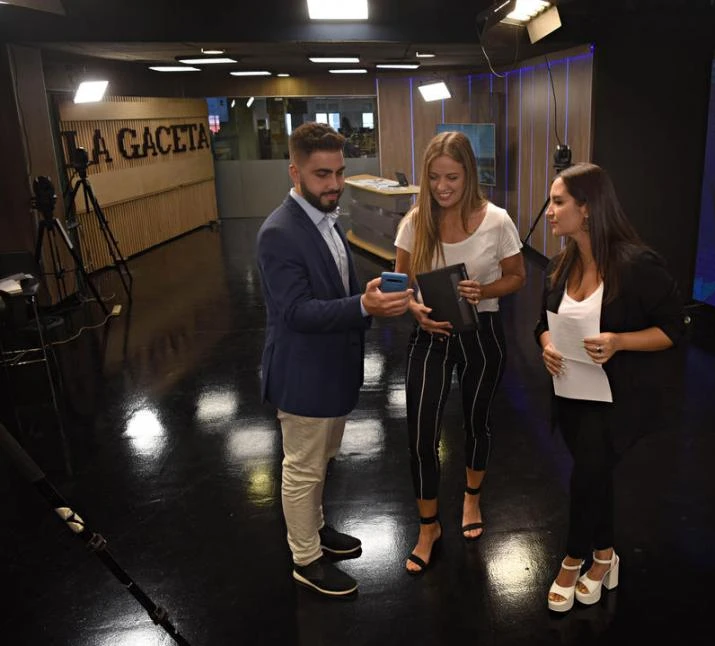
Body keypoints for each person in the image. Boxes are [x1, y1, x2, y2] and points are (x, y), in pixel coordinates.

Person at [256, 122, 412, 597]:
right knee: (303, 469)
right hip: (303, 375)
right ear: (295, 172)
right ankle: (305, 559)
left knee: (321, 460)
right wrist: (363, 305)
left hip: (333, 369)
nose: (335, 184)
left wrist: (363, 293)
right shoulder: (279, 232)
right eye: (322, 175)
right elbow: (296, 312)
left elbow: (336, 286)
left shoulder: (325, 218)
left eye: (340, 173)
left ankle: (316, 529)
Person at [534, 162, 689, 612]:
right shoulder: (559, 267)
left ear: (587, 208)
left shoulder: (636, 265)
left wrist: (619, 341)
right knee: (594, 474)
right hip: (569, 396)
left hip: (617, 401)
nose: (549, 211)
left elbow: (675, 328)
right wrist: (547, 346)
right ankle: (605, 556)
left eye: (558, 202)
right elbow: (540, 325)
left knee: (586, 474)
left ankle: (573, 559)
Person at [393, 131, 526, 574]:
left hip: (481, 332)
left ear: (469, 174)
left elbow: (518, 277)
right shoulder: (415, 221)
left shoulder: (497, 221)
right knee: (420, 434)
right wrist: (414, 309)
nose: (442, 187)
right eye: (434, 177)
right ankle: (428, 526)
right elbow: (400, 284)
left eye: (451, 177)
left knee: (476, 421)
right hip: (430, 333)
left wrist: (482, 291)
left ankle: (471, 497)